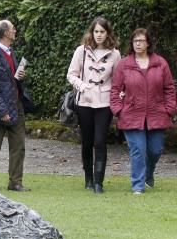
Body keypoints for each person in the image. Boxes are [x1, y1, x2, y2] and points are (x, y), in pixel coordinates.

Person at [110, 28, 176, 194]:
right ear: (132, 44)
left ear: (148, 43)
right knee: (138, 150)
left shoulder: (160, 63)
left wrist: (170, 109)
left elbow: (169, 88)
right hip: (131, 114)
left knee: (156, 150)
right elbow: (115, 90)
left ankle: (148, 174)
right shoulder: (124, 64)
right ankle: (138, 186)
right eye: (135, 41)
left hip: (157, 113)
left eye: (141, 41)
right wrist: (119, 110)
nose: (138, 44)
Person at [66, 17, 121, 193]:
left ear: (107, 33)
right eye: (96, 31)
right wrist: (83, 86)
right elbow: (71, 74)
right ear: (92, 32)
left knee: (100, 141)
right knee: (87, 142)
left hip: (105, 103)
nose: (99, 35)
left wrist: (119, 93)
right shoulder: (81, 51)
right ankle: (88, 178)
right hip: (85, 102)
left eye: (102, 32)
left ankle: (99, 182)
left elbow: (119, 79)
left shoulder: (115, 53)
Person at [0, 19, 34, 192]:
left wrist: (19, 75)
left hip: (16, 104)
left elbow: (9, 79)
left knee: (18, 145)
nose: (15, 30)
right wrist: (2, 110)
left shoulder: (10, 52)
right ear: (5, 33)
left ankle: (15, 182)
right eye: (12, 28)